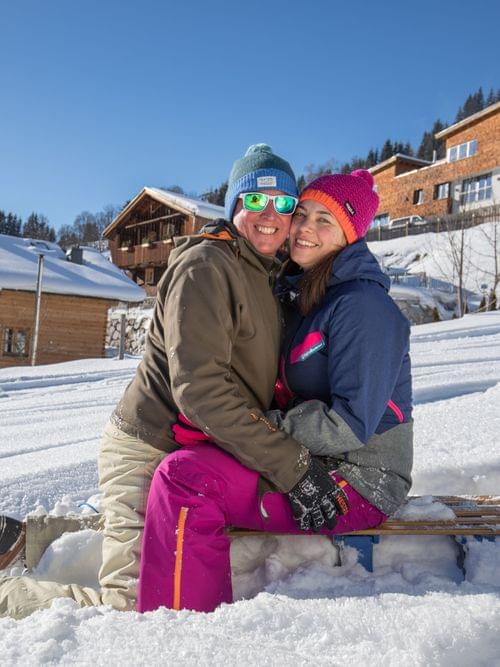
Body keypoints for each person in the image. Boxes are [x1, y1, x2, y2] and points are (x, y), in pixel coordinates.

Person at [0, 143, 311, 620]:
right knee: (131, 602)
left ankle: (27, 536)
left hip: (192, 455)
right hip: (148, 447)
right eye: (254, 201)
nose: (269, 214)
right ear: (234, 207)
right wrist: (292, 465)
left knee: (135, 527)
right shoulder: (207, 268)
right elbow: (201, 391)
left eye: (283, 203)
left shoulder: (265, 276)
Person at [137, 169, 413, 613]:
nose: (304, 228)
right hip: (313, 457)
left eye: (326, 220)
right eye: (301, 213)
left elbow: (350, 422)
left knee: (186, 480)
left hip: (358, 479)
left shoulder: (364, 307)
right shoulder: (306, 294)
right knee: (182, 468)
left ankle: (180, 627)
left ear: (350, 234)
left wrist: (261, 429)